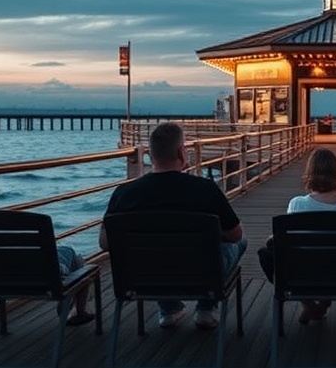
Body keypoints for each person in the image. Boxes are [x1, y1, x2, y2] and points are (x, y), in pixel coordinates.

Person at [98, 122, 247, 331]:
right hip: (201, 275)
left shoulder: (124, 193)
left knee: (157, 252)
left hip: (143, 277)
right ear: (182, 152)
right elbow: (235, 234)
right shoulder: (204, 189)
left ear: (150, 154)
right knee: (240, 242)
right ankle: (206, 308)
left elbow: (105, 243)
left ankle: (169, 310)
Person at [257, 148, 336, 324]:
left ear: (309, 174)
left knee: (267, 253)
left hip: (304, 275)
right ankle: (321, 304)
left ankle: (309, 305)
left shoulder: (298, 204)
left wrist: (272, 239)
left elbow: (286, 241)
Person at [57, 245, 95, 326]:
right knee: (78, 263)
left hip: (26, 281)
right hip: (56, 277)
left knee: (68, 252)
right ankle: (79, 310)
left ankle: (74, 307)